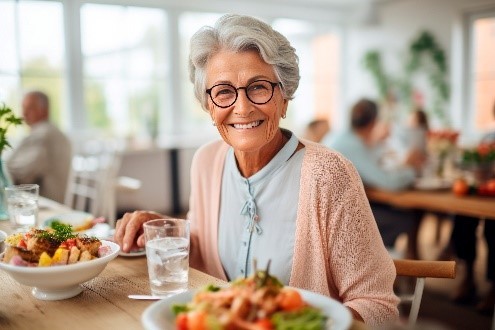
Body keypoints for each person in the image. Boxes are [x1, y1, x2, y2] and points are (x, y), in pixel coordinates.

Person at [114, 15, 399, 326]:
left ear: (285, 97)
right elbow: (207, 255)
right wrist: (168, 231)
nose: (242, 107)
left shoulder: (329, 174)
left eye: (259, 87)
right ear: (208, 105)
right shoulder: (206, 161)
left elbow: (378, 307)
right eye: (223, 91)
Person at [326, 99, 425, 254]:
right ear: (373, 122)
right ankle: (378, 258)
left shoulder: (339, 137)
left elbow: (370, 164)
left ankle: (381, 256)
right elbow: (389, 183)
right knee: (405, 219)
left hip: (328, 213)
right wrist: (411, 169)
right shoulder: (353, 145)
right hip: (342, 220)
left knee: (393, 213)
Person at [448, 101, 495, 314]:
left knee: (493, 229)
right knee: (463, 217)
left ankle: (494, 286)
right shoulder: (488, 138)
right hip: (486, 191)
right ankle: (468, 275)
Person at [6, 91, 72, 203]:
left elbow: (17, 175)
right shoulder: (55, 132)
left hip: (42, 205)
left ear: (45, 110)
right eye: (23, 107)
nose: (24, 113)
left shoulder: (42, 136)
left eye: (30, 108)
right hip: (50, 203)